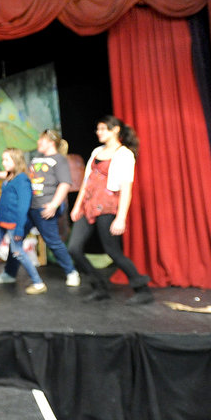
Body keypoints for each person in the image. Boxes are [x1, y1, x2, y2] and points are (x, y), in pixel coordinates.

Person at [68, 115, 153, 305]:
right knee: (74, 248)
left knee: (113, 252)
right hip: (88, 206)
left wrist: (121, 217)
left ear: (115, 130)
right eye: (98, 129)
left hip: (107, 206)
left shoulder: (124, 154)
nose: (99, 133)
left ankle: (142, 289)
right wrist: (77, 206)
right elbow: (86, 181)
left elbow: (126, 188)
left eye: (103, 129)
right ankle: (99, 286)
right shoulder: (97, 151)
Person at [0, 129, 80, 287]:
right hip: (29, 208)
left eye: (41, 140)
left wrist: (54, 204)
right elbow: (20, 174)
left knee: (53, 242)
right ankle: (10, 273)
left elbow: (65, 184)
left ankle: (71, 271)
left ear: (50, 142)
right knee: (17, 239)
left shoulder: (59, 160)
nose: (38, 143)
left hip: (44, 207)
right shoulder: (37, 159)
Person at [0, 148, 47, 294]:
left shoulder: (22, 180)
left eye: (7, 160)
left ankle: (38, 283)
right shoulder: (11, 176)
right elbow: (7, 174)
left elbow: (23, 206)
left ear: (16, 160)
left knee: (18, 252)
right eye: (3, 159)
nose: (4, 163)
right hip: (1, 220)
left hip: (14, 223)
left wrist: (20, 228)